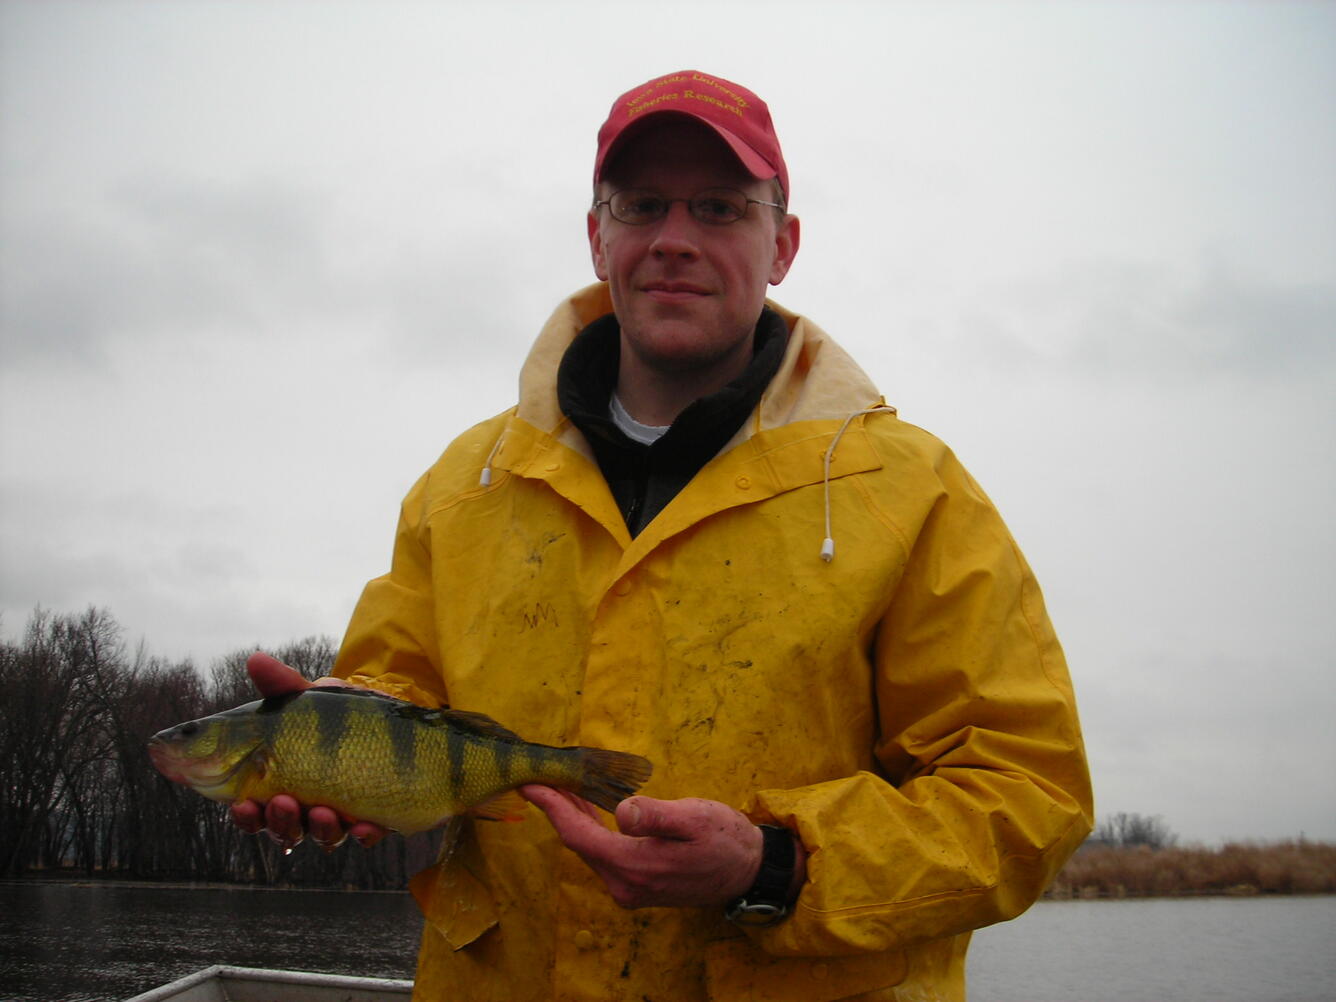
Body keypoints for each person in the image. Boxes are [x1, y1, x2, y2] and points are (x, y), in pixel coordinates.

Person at [233, 70, 1093, 1002]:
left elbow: (1022, 793)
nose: (674, 240)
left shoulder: (912, 491)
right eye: (641, 205)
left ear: (783, 245)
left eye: (721, 208)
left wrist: (773, 865)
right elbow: (400, 688)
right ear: (597, 235)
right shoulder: (463, 485)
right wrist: (334, 741)